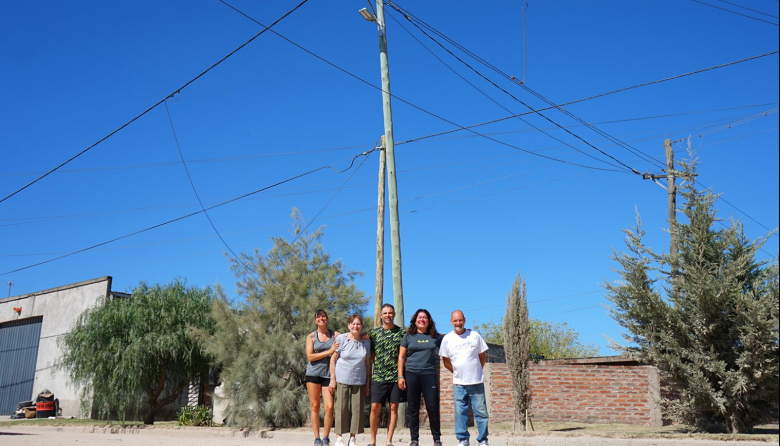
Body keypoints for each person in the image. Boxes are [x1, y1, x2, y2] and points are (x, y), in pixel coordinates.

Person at [439, 310, 490, 446]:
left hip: (476, 381)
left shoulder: (475, 336)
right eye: (455, 321)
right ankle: (463, 439)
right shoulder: (447, 339)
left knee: (481, 412)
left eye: (460, 320)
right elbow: (446, 361)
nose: (458, 323)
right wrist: (457, 372)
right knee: (460, 412)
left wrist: (475, 371)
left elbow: (482, 357)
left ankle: (483, 440)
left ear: (464, 320)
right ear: (451, 322)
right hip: (459, 383)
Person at [398, 309, 443, 446]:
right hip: (411, 374)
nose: (422, 320)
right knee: (413, 408)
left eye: (424, 317)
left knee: (432, 407)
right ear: (415, 320)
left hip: (429, 374)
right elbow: (401, 357)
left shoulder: (436, 337)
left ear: (429, 320)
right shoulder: (408, 337)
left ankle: (436, 439)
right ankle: (414, 439)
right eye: (419, 317)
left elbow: (449, 346)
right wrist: (400, 376)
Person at [329, 314, 371, 446]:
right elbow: (333, 359)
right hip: (342, 378)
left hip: (359, 380)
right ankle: (339, 437)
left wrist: (368, 382)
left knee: (357, 410)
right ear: (348, 326)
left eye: (358, 324)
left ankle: (353, 438)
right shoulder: (341, 339)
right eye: (353, 324)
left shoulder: (366, 342)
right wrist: (332, 379)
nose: (355, 326)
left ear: (361, 326)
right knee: (341, 408)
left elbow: (368, 363)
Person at [368, 304, 405, 446]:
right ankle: (372, 441)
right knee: (374, 408)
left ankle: (389, 441)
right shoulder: (374, 334)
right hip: (378, 377)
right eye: (385, 313)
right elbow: (371, 355)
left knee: (394, 408)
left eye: (390, 313)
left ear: (394, 314)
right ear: (381, 315)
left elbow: (403, 356)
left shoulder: (401, 333)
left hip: (395, 377)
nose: (388, 315)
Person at [306, 310, 341, 446]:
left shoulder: (335, 335)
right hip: (313, 374)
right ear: (315, 320)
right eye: (318, 317)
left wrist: (364, 335)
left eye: (323, 316)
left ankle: (326, 437)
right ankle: (317, 438)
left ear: (327, 319)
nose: (321, 318)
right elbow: (310, 356)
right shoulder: (311, 337)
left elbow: (350, 335)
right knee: (315, 406)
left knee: (329, 406)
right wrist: (329, 351)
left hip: (328, 375)